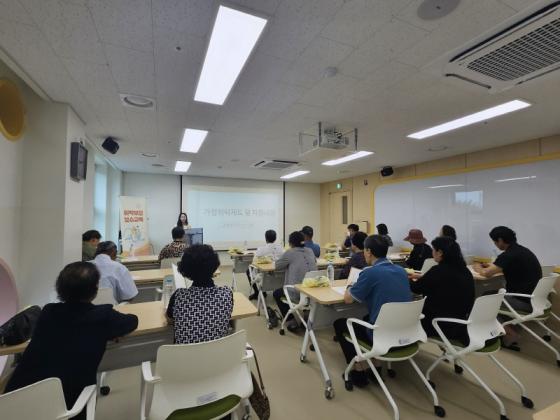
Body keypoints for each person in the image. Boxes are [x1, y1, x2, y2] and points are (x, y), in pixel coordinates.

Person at [5, 262, 138, 420]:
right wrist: (109, 331)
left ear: (60, 288)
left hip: (13, 402)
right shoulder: (104, 316)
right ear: (95, 290)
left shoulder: (48, 311)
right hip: (64, 408)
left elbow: (71, 331)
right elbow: (132, 321)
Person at [333, 235, 412, 387]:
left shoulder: (370, 273)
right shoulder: (401, 271)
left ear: (368, 251)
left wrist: (350, 286)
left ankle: (358, 372)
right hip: (406, 332)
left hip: (383, 335)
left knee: (340, 324)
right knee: (367, 316)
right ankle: (376, 367)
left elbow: (348, 299)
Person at [473, 226, 542, 346]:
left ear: (500, 240)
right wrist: (492, 265)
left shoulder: (508, 255)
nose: (495, 244)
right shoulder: (523, 251)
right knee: (488, 295)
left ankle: (510, 334)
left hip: (522, 301)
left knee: (484, 300)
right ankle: (506, 327)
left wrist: (477, 267)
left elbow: (486, 273)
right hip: (535, 299)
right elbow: (502, 266)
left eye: (494, 241)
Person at [409, 236, 474, 345]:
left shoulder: (438, 271)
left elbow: (416, 289)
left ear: (440, 252)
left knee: (408, 316)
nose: (432, 252)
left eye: (433, 249)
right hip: (461, 323)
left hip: (439, 324)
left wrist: (406, 278)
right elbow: (443, 282)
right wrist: (423, 277)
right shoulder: (465, 271)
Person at [167, 244, 233, 344]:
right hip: (217, 356)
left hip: (184, 358)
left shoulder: (179, 296)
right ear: (214, 266)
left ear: (186, 270)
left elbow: (170, 319)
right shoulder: (226, 294)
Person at [273, 231, 317, 331]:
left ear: (291, 243)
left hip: (297, 292)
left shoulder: (290, 252)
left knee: (277, 293)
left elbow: (277, 266)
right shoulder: (310, 250)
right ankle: (306, 317)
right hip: (313, 291)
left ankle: (291, 321)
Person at [247, 229, 284, 300]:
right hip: (279, 277)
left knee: (248, 271)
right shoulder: (281, 249)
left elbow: (254, 262)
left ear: (265, 238)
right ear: (275, 238)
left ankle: (258, 293)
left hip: (264, 276)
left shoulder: (261, 249)